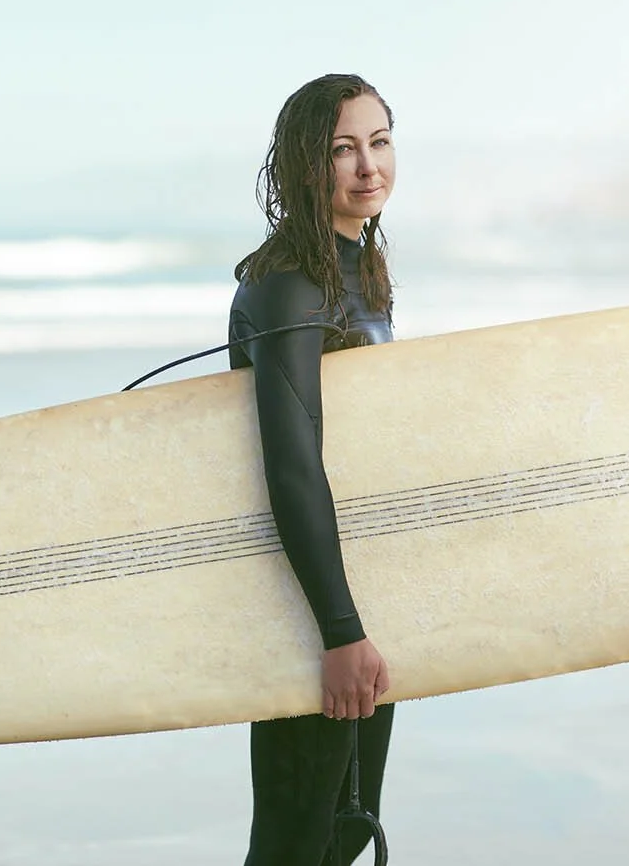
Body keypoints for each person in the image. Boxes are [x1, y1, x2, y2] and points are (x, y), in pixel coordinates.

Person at [228, 73, 398, 866]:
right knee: (293, 851)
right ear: (305, 164)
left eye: (379, 141)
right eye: (342, 149)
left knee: (338, 844)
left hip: (357, 599)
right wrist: (338, 632)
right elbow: (292, 464)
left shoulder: (358, 269)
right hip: (310, 612)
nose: (368, 166)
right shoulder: (289, 281)